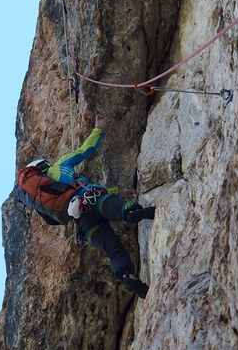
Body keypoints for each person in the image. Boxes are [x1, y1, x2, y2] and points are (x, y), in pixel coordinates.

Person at [25, 116, 155, 299]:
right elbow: (85, 150)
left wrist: (118, 191)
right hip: (91, 198)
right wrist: (98, 129)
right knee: (116, 208)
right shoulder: (59, 166)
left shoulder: (44, 199)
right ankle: (133, 211)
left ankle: (126, 276)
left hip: (84, 224)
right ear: (43, 166)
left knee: (114, 250)